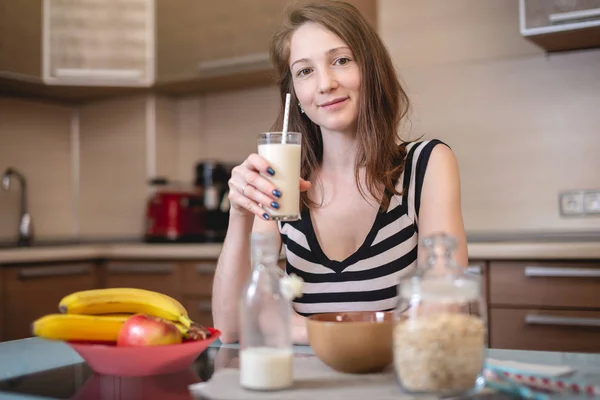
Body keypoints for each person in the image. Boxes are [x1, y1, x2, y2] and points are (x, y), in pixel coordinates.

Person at [211, 0, 468, 344]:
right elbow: (231, 328)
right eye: (305, 71)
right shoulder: (282, 182)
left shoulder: (427, 165)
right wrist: (240, 215)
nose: (325, 83)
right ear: (295, 95)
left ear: (371, 69)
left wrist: (292, 327)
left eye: (341, 61)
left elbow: (440, 313)